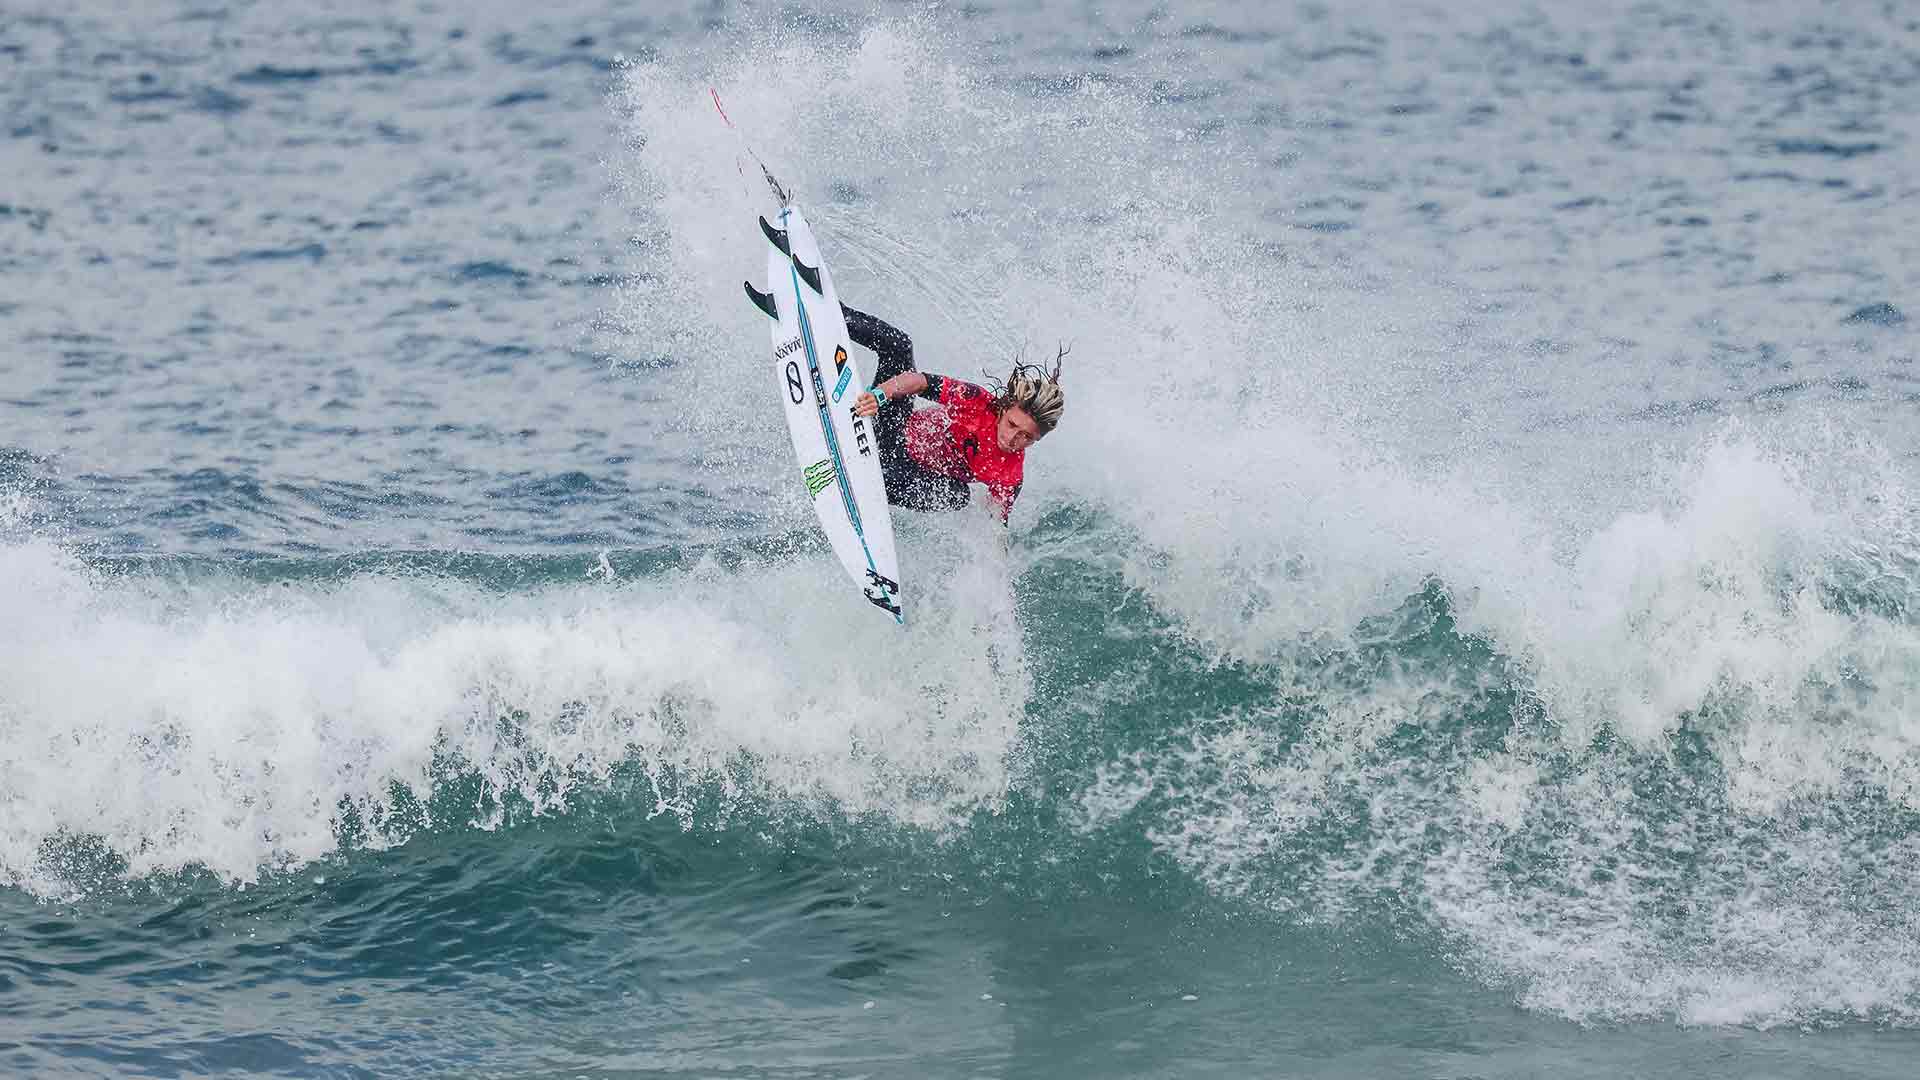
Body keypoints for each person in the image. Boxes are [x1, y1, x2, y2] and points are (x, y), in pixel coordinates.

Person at [843, 305, 1064, 523]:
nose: (1013, 438)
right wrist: (880, 396)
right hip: (892, 430)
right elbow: (920, 382)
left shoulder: (1010, 476)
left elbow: (997, 525)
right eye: (1012, 424)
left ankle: (858, 484)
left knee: (958, 496)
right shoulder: (976, 401)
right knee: (899, 346)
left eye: (1027, 437)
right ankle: (833, 313)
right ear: (1004, 409)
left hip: (903, 472)